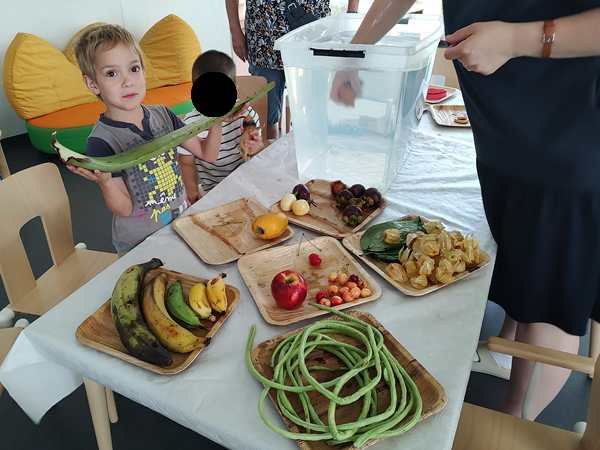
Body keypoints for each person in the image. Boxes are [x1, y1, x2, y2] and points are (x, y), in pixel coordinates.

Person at [331, 0, 600, 420]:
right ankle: (508, 345)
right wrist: (355, 55)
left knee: (550, 298)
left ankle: (513, 423)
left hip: (566, 134)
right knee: (520, 251)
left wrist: (517, 39)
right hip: (502, 128)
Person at [67, 24, 222, 254]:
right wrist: (105, 182)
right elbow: (124, 208)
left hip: (179, 227)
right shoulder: (101, 141)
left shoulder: (163, 115)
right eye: (112, 73)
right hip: (140, 245)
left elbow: (207, 153)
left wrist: (218, 119)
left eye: (134, 68)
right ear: (93, 84)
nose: (128, 81)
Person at [225, 0, 360, 140]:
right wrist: (235, 30)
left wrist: (351, 15)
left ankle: (307, 151)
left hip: (311, 34)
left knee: (312, 115)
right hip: (263, 35)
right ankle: (271, 152)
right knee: (266, 117)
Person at [178, 50, 263, 202]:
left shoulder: (246, 114)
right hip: (212, 192)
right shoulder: (190, 125)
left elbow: (256, 154)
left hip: (245, 185)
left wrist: (256, 149)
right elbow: (186, 163)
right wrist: (193, 193)